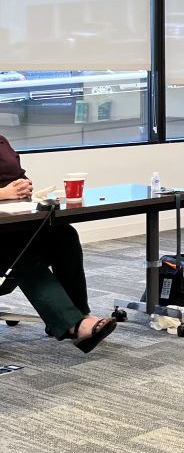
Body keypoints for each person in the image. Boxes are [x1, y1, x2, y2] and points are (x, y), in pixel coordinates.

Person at [0, 134, 117, 352]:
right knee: (20, 251)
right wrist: (3, 193)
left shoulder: (1, 140)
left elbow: (16, 176)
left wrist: (23, 186)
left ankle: (79, 313)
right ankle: (71, 325)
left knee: (63, 235)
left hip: (11, 222)